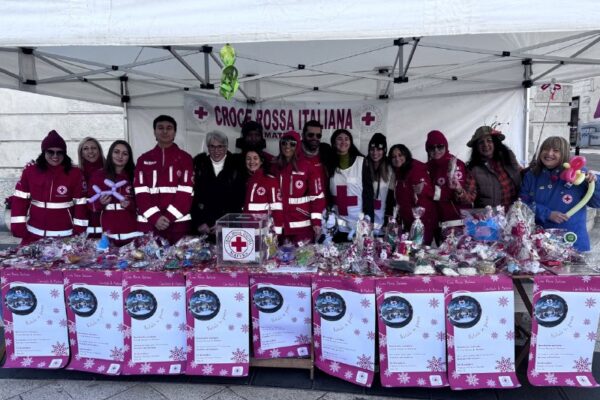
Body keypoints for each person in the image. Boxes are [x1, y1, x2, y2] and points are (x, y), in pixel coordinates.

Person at [520, 136, 600, 251]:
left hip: (573, 243)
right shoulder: (531, 175)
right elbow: (522, 204)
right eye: (545, 149)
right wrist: (547, 214)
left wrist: (595, 183)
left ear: (564, 154)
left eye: (556, 150)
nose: (549, 153)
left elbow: (597, 203)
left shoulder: (578, 174)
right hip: (540, 242)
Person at [10, 130, 88, 245]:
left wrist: (78, 232)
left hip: (65, 236)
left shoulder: (74, 173)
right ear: (43, 152)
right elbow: (20, 200)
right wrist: (18, 227)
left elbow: (81, 205)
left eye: (59, 152)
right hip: (34, 235)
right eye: (50, 152)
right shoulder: (30, 171)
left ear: (64, 154)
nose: (55, 156)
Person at [134, 115, 193, 244]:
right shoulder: (143, 159)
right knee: (149, 263)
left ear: (175, 132)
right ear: (154, 131)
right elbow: (140, 193)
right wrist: (155, 218)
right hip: (150, 225)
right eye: (160, 128)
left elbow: (186, 193)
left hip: (178, 226)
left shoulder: (185, 159)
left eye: (169, 128)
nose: (165, 131)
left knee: (180, 262)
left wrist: (168, 217)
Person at [272, 130, 326, 243]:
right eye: (284, 143)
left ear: (298, 145)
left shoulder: (308, 167)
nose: (287, 146)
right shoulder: (274, 166)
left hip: (302, 226)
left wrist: (316, 222)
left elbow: (317, 197)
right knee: (280, 259)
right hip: (280, 226)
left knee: (303, 259)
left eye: (292, 143)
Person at [192, 131, 245, 238]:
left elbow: (240, 200)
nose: (216, 151)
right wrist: (199, 223)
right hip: (204, 227)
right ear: (208, 147)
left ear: (226, 147)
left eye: (220, 147)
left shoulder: (238, 164)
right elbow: (193, 198)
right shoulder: (198, 164)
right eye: (212, 146)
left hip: (228, 227)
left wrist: (226, 223)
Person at [88, 140, 141, 246]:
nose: (120, 156)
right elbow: (90, 204)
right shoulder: (98, 176)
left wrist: (130, 204)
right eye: (116, 152)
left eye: (125, 154)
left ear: (129, 157)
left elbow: (143, 203)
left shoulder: (135, 176)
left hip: (133, 236)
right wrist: (100, 203)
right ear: (110, 153)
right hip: (108, 237)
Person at [328, 129, 374, 241]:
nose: (343, 141)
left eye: (346, 139)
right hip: (337, 228)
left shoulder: (362, 162)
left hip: (359, 226)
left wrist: (369, 219)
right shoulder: (328, 163)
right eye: (339, 138)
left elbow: (368, 192)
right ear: (334, 143)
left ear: (351, 142)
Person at [425, 130, 470, 241]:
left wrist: (432, 192)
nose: (436, 150)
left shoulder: (455, 164)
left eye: (440, 146)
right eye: (432, 147)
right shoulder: (427, 166)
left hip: (457, 223)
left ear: (445, 146)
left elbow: (458, 196)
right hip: (438, 223)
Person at [387, 144, 437, 245]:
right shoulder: (398, 172)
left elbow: (429, 193)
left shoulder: (416, 168)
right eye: (394, 156)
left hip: (422, 223)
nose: (397, 159)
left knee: (418, 252)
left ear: (406, 155)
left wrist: (423, 189)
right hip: (408, 222)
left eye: (400, 155)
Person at [463, 126, 522, 209]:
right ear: (476, 147)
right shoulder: (474, 169)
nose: (485, 145)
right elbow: (469, 197)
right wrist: (459, 191)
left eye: (489, 140)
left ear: (495, 142)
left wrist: (533, 169)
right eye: (481, 142)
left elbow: (520, 173)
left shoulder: (508, 156)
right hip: (491, 219)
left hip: (515, 213)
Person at [242, 150, 283, 235]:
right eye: (248, 159)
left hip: (264, 232)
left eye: (255, 158)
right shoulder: (244, 180)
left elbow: (277, 207)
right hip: (247, 231)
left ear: (261, 161)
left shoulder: (270, 180)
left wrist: (277, 232)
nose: (251, 161)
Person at [365, 133, 393, 233]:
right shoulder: (364, 165)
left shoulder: (391, 168)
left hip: (383, 221)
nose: (375, 153)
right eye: (372, 149)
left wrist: (387, 221)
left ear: (384, 150)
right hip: (367, 221)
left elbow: (392, 197)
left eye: (379, 149)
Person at [78, 137, 105, 237]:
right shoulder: (77, 173)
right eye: (86, 148)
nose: (90, 151)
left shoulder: (109, 170)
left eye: (94, 148)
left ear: (99, 150)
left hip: (106, 219)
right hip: (85, 220)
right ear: (81, 153)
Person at [300, 120, 332, 197]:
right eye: (311, 135)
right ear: (303, 135)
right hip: (302, 205)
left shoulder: (326, 150)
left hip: (323, 204)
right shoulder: (294, 151)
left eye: (318, 136)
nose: (315, 138)